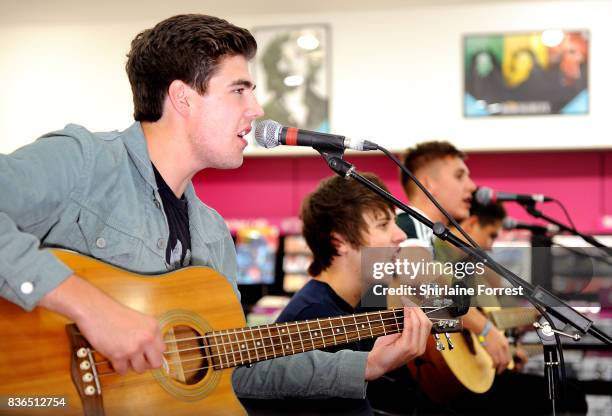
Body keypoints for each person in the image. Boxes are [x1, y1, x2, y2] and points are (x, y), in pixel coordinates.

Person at [0, 14, 430, 407]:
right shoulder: (84, 161)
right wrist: (93, 308)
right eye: (238, 90)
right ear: (183, 98)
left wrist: (366, 366)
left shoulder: (210, 231)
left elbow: (234, 362)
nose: (257, 110)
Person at [398, 142, 587, 414]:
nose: (473, 186)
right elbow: (423, 285)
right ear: (429, 183)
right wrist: (485, 330)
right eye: (460, 175)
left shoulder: (430, 234)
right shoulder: (408, 224)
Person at [242, 173, 431, 415]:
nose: (401, 235)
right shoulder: (313, 316)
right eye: (383, 225)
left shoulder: (365, 298)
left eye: (394, 222)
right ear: (339, 242)